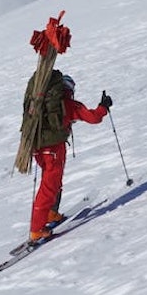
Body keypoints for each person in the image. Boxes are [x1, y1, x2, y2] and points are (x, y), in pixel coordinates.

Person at [23, 71, 111, 243]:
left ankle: (51, 213)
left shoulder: (44, 105)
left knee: (52, 182)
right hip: (54, 150)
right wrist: (103, 107)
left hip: (39, 148)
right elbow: (93, 118)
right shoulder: (67, 104)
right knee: (48, 187)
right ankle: (36, 229)